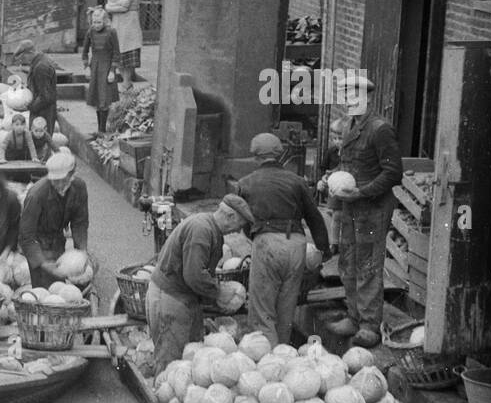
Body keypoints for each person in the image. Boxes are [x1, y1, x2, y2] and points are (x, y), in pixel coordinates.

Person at [319, 75, 403, 348]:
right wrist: (330, 178)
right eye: (345, 96)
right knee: (348, 261)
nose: (349, 101)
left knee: (367, 263)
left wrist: (363, 191)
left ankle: (369, 325)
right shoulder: (348, 127)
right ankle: (354, 315)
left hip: (372, 207)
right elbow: (347, 164)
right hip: (349, 205)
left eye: (354, 96)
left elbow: (393, 173)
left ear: (367, 98)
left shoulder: (380, 129)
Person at [237, 132, 332, 346]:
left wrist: (254, 238)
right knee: (286, 311)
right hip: (296, 245)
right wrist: (323, 250)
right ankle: (283, 358)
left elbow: (242, 221)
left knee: (263, 313)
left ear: (255, 157)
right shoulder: (297, 181)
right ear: (280, 154)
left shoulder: (246, 183)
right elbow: (315, 218)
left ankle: (265, 363)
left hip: (267, 243)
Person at [146, 195, 254, 373]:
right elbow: (194, 275)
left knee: (191, 356)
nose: (238, 231)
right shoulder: (201, 230)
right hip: (170, 298)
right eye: (239, 225)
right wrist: (220, 293)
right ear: (231, 217)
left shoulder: (209, 228)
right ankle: (159, 396)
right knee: (171, 363)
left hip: (184, 297)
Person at [19, 151, 89, 289]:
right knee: (43, 290)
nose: (58, 184)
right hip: (38, 244)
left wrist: (81, 251)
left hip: (57, 240)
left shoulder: (79, 187)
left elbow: (80, 222)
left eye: (62, 180)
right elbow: (26, 236)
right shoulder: (36, 195)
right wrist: (43, 263)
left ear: (71, 175)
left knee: (59, 287)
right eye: (54, 180)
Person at [80, 6, 119, 136]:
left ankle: (103, 130)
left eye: (99, 22)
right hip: (95, 66)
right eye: (94, 22)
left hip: (106, 66)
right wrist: (86, 67)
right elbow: (85, 51)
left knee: (104, 99)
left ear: (105, 21)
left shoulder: (111, 32)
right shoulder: (90, 32)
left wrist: (112, 70)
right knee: (97, 98)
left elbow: (116, 53)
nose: (96, 25)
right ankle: (99, 129)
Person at [104, 0, 142, 93]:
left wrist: (112, 7)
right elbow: (108, 4)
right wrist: (114, 7)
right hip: (116, 21)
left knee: (128, 51)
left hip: (129, 21)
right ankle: (124, 83)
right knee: (117, 51)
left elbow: (125, 7)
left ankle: (127, 83)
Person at [13, 39, 58, 137]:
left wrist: (28, 107)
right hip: (42, 109)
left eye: (22, 58)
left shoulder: (40, 67)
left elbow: (45, 96)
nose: (21, 62)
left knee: (39, 142)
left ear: (29, 53)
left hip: (43, 112)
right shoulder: (40, 60)